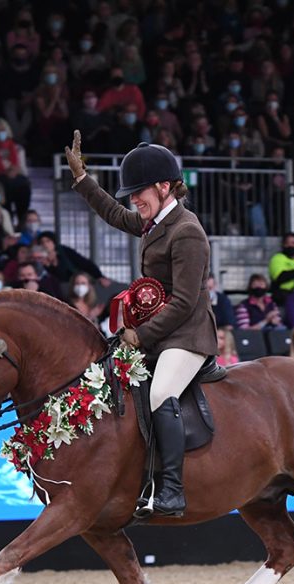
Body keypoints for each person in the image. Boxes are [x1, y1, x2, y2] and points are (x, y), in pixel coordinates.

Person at [67, 133, 216, 518]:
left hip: (187, 335)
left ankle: (171, 490)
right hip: (160, 332)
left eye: (139, 193)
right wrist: (83, 181)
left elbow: (184, 302)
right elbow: (116, 215)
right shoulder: (154, 223)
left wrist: (140, 335)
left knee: (160, 394)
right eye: (131, 194)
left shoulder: (187, 232)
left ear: (165, 187)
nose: (133, 200)